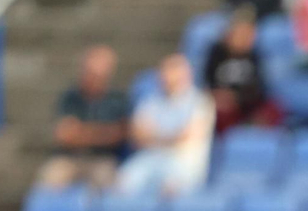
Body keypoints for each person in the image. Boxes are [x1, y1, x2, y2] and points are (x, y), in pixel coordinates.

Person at [117, 54, 214, 196]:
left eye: (171, 70)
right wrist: (169, 137)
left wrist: (153, 137)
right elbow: (137, 137)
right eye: (163, 70)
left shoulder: (200, 102)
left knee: (169, 188)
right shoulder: (151, 101)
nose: (165, 75)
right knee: (121, 183)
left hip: (183, 162)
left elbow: (185, 138)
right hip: (149, 158)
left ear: (185, 74)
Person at [37, 45, 130, 190]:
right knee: (50, 179)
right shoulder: (70, 97)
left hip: (102, 160)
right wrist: (102, 133)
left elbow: (119, 134)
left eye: (100, 74)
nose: (94, 78)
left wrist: (80, 132)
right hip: (69, 158)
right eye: (91, 72)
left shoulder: (117, 99)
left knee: (112, 186)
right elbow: (64, 135)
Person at [205, 7, 282, 134]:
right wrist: (219, 95)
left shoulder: (255, 56)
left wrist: (237, 97)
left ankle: (250, 132)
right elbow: (209, 81)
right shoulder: (216, 53)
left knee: (274, 110)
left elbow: (259, 87)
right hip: (222, 103)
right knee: (214, 110)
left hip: (247, 104)